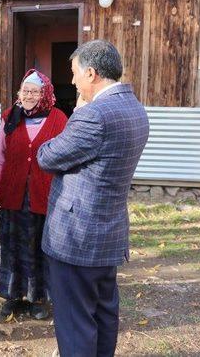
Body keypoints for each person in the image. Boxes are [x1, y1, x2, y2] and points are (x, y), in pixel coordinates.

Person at [37, 40, 149, 357]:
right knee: (103, 314)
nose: (72, 81)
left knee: (75, 323)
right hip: (109, 231)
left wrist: (76, 117)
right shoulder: (135, 108)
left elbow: (47, 157)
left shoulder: (93, 115)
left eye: (74, 74)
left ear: (91, 73)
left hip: (76, 237)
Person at [0, 69, 68, 319]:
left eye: (35, 91)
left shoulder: (59, 119)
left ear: (44, 93)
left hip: (44, 196)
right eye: (25, 91)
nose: (29, 96)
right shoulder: (10, 117)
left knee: (39, 247)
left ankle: (39, 299)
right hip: (13, 194)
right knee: (12, 244)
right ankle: (13, 296)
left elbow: (66, 158)